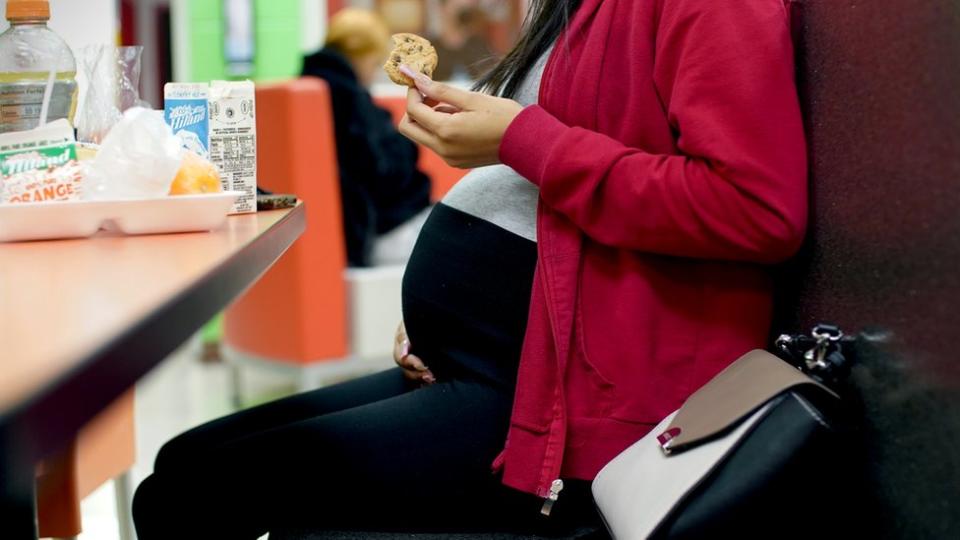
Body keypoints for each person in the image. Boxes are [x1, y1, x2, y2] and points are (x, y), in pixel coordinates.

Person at [132, 1, 807, 537]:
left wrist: (519, 136)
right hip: (474, 358)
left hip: (545, 390)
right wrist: (437, 310)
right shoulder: (573, 10)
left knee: (189, 493)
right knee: (181, 464)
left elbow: (754, 209)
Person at [301, 9, 432, 266]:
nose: (373, 74)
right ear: (361, 57)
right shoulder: (349, 99)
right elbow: (382, 170)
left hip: (363, 225)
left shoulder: (318, 88)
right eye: (374, 64)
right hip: (382, 227)